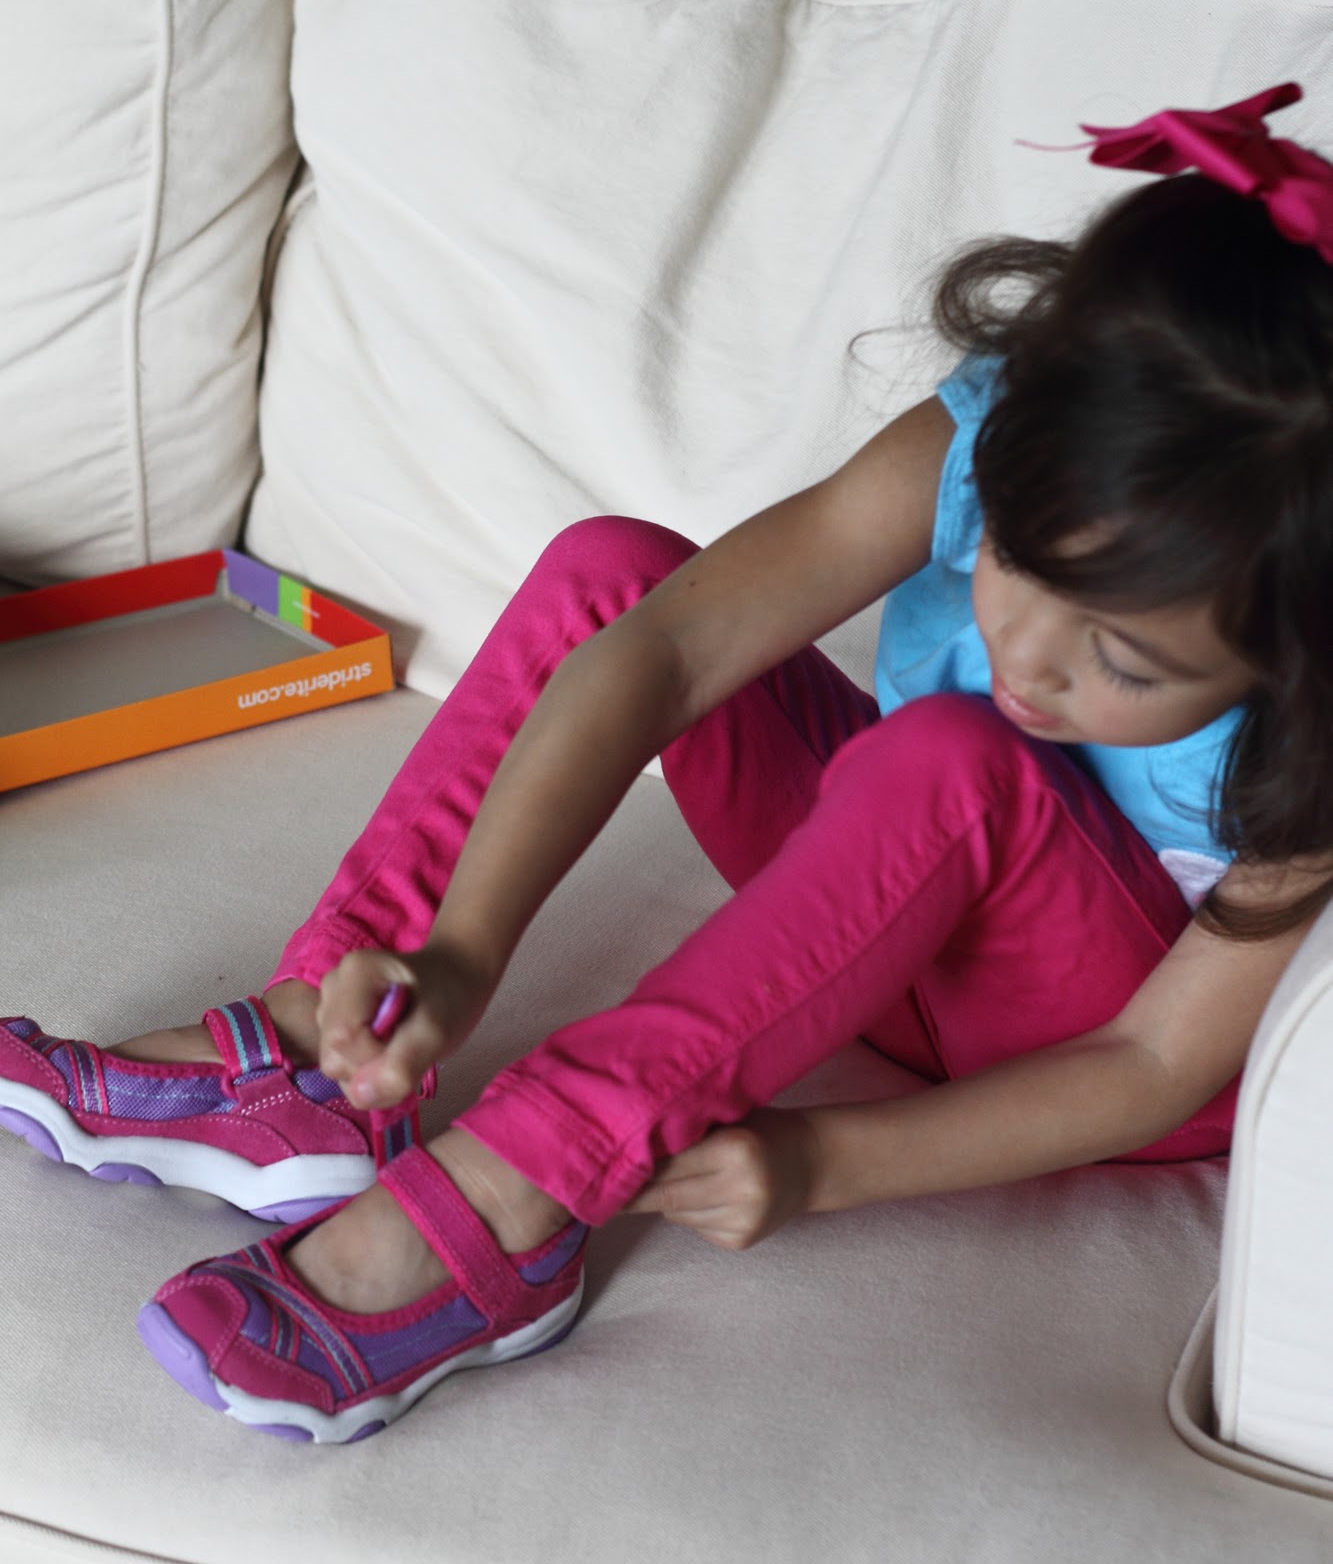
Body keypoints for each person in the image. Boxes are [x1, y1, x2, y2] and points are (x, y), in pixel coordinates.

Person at [3, 83, 1332, 1444]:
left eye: (1126, 662)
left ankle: (517, 1194)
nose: (1026, 656)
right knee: (617, 580)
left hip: (1072, 1037)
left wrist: (824, 1163)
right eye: (1005, 559)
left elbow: (1149, 1064)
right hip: (896, 920)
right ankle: (325, 1055)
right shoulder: (995, 433)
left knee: (955, 749)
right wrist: (457, 948)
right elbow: (672, 651)